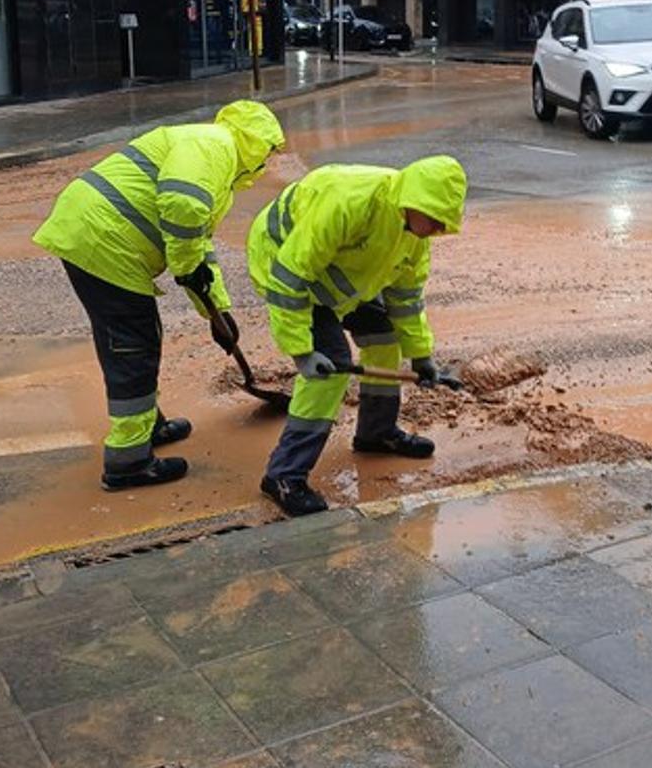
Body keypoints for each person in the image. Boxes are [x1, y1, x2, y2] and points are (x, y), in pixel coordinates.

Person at [34, 100, 286, 490]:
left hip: (97, 232)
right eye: (270, 149)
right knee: (132, 345)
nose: (270, 159)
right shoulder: (214, 145)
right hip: (104, 237)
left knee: (136, 335)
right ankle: (128, 461)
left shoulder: (215, 160)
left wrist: (215, 309)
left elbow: (198, 242)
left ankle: (149, 425)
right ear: (256, 141)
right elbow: (182, 205)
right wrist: (187, 271)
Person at [248, 156, 467, 515]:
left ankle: (375, 433)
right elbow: (291, 274)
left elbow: (406, 299)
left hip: (338, 282)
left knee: (384, 336)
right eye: (434, 218)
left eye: (444, 222)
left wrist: (421, 355)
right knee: (331, 367)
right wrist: (302, 352)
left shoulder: (414, 234)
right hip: (282, 263)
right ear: (413, 201)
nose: (436, 229)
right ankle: (284, 475)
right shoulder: (350, 202)